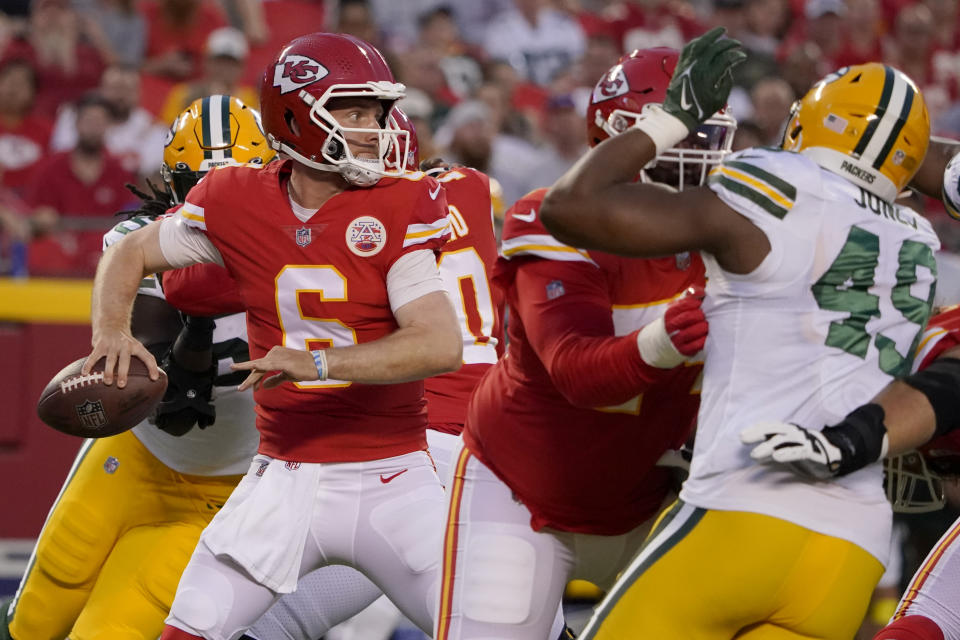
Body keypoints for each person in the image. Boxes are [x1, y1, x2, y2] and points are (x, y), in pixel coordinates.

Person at [540, 28, 938, 639]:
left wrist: (672, 118)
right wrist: (896, 138)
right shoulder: (918, 237)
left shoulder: (778, 184)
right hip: (853, 550)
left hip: (744, 513)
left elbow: (570, 208)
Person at [82, 33, 462, 640]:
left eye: (377, 112)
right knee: (186, 631)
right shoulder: (234, 197)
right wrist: (112, 331)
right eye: (355, 111)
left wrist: (315, 363)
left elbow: (439, 344)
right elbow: (132, 251)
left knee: (510, 626)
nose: (375, 128)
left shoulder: (401, 203)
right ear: (293, 115)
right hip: (281, 478)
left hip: (393, 475)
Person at [432, 47, 722, 640]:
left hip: (651, 497)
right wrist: (662, 343)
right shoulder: (551, 217)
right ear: (611, 138)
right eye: (671, 135)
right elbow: (575, 370)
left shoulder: (736, 230)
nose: (691, 154)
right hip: (519, 486)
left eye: (704, 135)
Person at [0, 94, 272, 640]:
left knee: (106, 633)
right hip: (138, 451)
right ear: (174, 187)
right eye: (201, 188)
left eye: (233, 188)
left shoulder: (301, 260)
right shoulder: (138, 243)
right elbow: (167, 399)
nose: (215, 209)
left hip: (224, 488)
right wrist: (196, 314)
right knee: (34, 621)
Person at [242, 106, 510, 640]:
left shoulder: (370, 224)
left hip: (415, 437)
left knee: (287, 613)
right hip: (494, 434)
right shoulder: (474, 189)